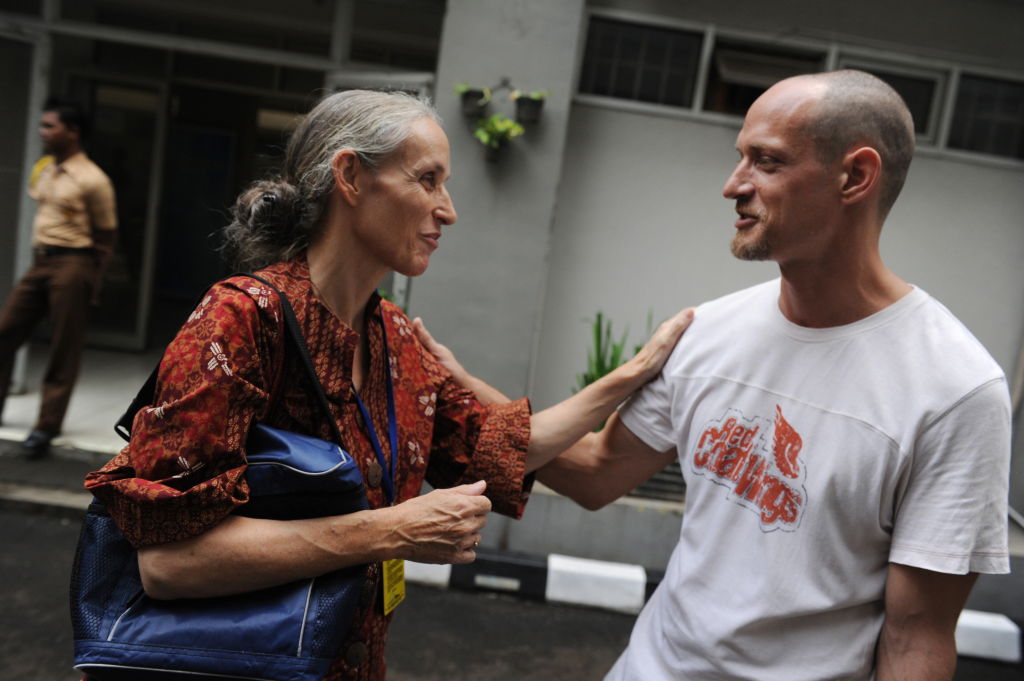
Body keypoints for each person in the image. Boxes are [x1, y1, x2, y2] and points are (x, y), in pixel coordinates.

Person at [419, 70, 1012, 681]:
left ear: (855, 176)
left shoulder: (955, 390)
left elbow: (916, 639)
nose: (734, 185)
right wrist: (464, 391)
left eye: (768, 161)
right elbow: (597, 474)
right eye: (740, 158)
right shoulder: (707, 332)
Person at [83, 89, 693, 681]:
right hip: (226, 665)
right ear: (350, 176)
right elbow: (169, 562)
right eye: (427, 180)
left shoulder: (396, 338)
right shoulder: (241, 319)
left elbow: (497, 448)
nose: (447, 209)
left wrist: (631, 375)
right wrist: (394, 530)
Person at [0, 97, 118, 458]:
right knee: (6, 331)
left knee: (63, 346)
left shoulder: (93, 179)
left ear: (72, 132)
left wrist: (90, 279)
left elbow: (106, 236)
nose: (43, 131)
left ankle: (46, 427)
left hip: (73, 264)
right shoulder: (46, 168)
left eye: (50, 126)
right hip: (41, 263)